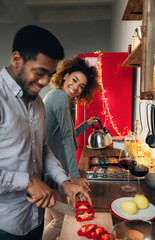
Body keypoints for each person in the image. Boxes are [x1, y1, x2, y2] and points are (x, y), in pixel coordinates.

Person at [0, 25, 92, 240]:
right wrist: (28, 181)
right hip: (5, 226)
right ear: (16, 59)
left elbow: (42, 148)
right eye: (40, 73)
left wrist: (65, 182)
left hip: (34, 219)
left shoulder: (38, 103)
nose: (44, 82)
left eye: (49, 75)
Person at [43, 56, 100, 240]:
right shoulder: (60, 97)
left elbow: (65, 134)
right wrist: (74, 178)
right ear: (65, 76)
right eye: (75, 80)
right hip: (53, 172)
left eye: (81, 86)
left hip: (49, 171)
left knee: (49, 215)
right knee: (60, 221)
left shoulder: (57, 97)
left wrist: (86, 124)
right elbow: (67, 137)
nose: (76, 87)